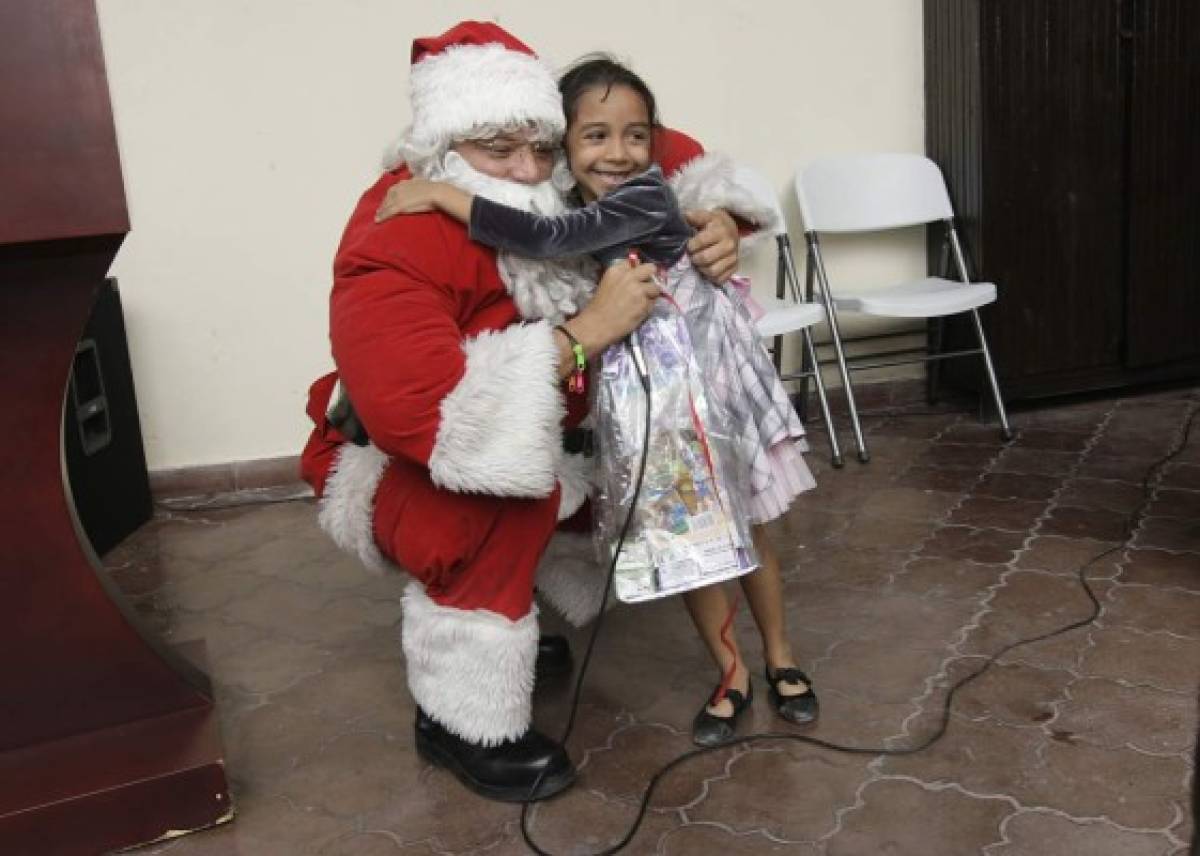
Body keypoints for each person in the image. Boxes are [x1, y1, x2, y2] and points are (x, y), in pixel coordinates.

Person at [299, 22, 746, 802]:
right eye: (498, 151)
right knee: (503, 497)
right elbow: (424, 416)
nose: (530, 168)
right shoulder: (398, 230)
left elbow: (662, 153)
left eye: (541, 148)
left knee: (636, 464)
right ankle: (460, 720)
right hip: (411, 457)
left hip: (557, 429)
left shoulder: (555, 188)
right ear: (440, 148)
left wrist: (719, 222)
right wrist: (584, 334)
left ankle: (524, 609)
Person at [377, 57, 822, 748]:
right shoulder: (564, 197)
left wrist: (443, 194)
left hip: (707, 389)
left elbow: (550, 242)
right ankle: (732, 672)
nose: (618, 153)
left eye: (635, 136)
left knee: (749, 533)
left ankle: (783, 656)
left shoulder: (641, 198)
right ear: (564, 144)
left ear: (654, 142)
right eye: (595, 137)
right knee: (695, 544)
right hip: (654, 404)